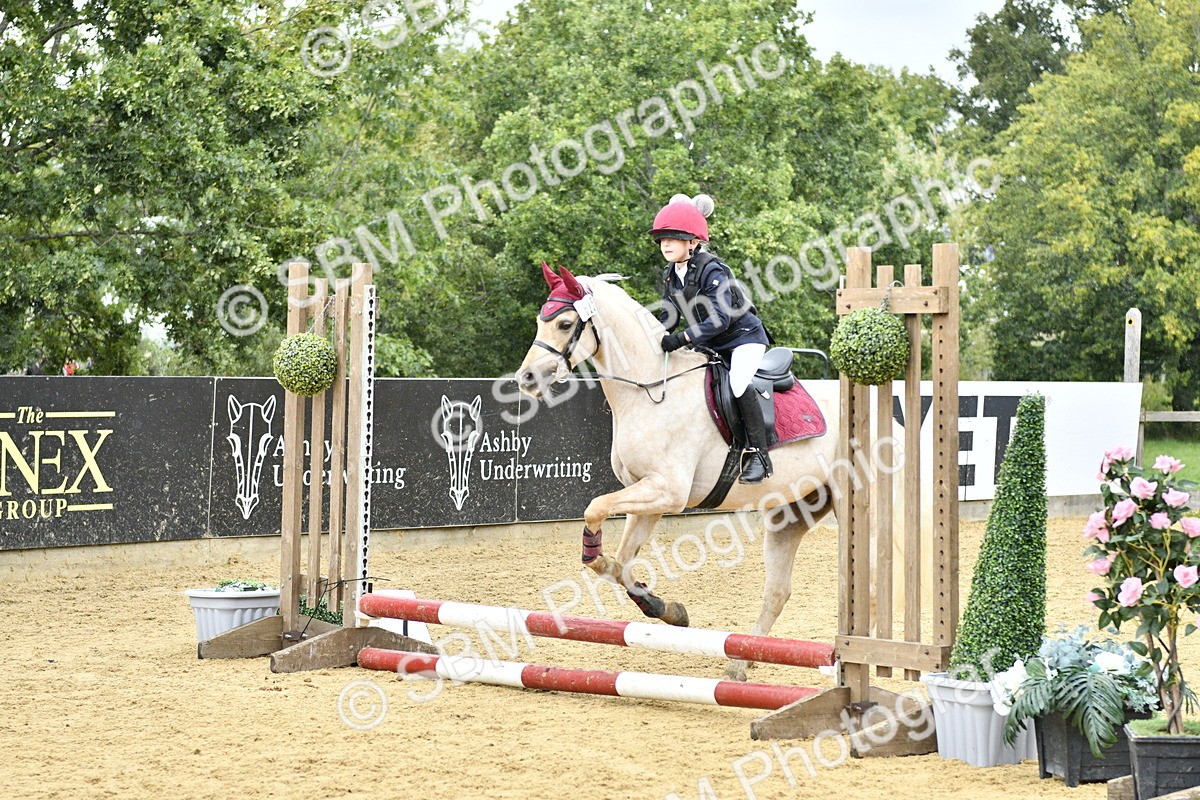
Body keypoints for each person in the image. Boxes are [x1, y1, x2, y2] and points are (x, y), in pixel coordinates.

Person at [649, 193, 773, 484]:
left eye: (674, 238)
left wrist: (680, 339)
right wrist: (650, 334)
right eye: (662, 239)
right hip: (710, 343)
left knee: (738, 383)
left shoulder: (711, 269)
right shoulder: (671, 274)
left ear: (692, 242)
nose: (665, 244)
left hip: (742, 339)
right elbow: (668, 317)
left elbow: (720, 319)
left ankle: (759, 454)